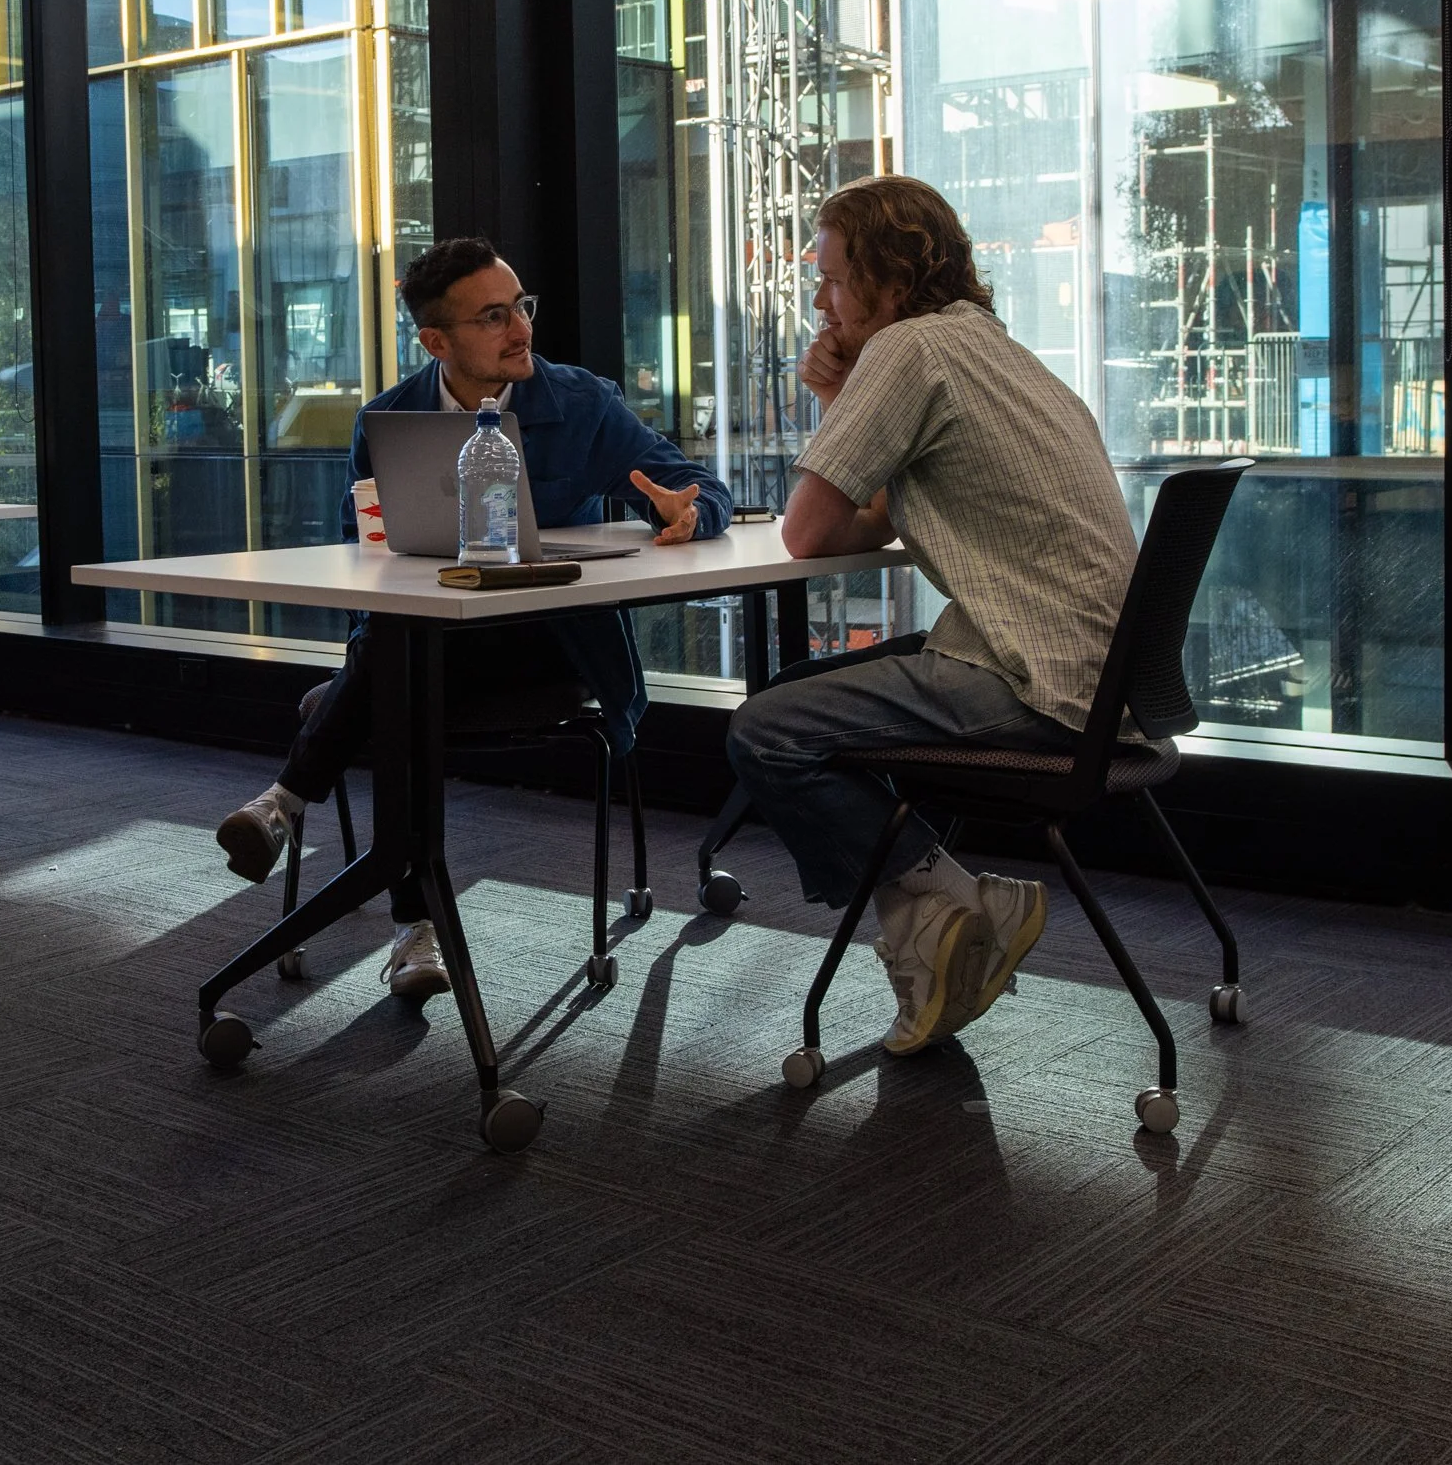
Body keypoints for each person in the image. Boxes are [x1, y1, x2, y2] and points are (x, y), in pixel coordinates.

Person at [216, 237, 734, 999]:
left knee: (394, 676)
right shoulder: (387, 420)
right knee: (399, 651)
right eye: (494, 316)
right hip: (430, 649)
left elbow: (695, 483)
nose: (521, 327)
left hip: (552, 648)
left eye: (522, 306)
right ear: (436, 341)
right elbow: (366, 562)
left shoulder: (580, 403)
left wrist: (692, 514)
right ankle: (412, 924)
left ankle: (290, 802)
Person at [725, 176, 1137, 1055]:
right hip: (1104, 680)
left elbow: (808, 534)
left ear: (892, 277)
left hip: (1034, 681)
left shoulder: (906, 350)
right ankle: (943, 917)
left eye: (834, 280)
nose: (822, 303)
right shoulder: (990, 346)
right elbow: (866, 516)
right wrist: (846, 407)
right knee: (803, 689)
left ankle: (950, 908)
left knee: (767, 731)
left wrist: (837, 397)